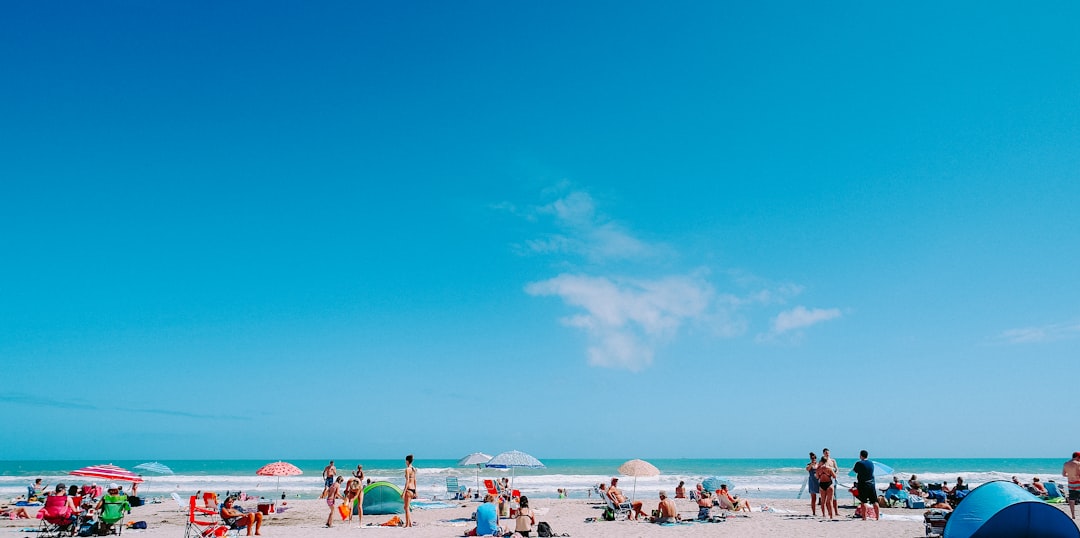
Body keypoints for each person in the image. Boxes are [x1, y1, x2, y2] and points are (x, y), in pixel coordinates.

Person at [852, 449, 878, 517]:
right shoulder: (871, 463)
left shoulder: (859, 463)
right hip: (871, 483)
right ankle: (877, 517)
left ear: (861, 455)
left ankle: (864, 517)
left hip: (863, 484)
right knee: (874, 501)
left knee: (863, 502)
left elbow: (855, 471)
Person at [821, 448, 839, 515]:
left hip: (833, 480)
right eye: (826, 453)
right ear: (823, 453)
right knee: (826, 498)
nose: (827, 454)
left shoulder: (832, 461)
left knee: (834, 497)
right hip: (825, 481)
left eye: (828, 453)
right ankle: (828, 512)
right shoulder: (822, 461)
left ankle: (836, 512)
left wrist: (835, 473)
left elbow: (837, 469)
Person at [1064, 451, 1080, 519]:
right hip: (1078, 483)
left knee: (1072, 499)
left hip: (1070, 484)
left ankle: (1073, 515)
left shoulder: (1066, 464)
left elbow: (1063, 474)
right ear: (1077, 457)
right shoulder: (1078, 464)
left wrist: (1070, 475)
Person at [403, 454, 417, 528]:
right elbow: (415, 480)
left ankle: (407, 524)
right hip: (412, 489)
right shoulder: (414, 469)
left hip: (408, 489)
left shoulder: (407, 469)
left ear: (407, 461)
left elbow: (407, 481)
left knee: (406, 507)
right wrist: (415, 491)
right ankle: (410, 523)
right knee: (406, 507)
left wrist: (404, 492)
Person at [806, 452, 820, 516]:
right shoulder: (809, 465)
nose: (813, 459)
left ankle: (823, 511)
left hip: (819, 481)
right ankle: (814, 512)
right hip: (812, 481)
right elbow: (807, 469)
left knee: (822, 496)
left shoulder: (819, 464)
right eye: (812, 458)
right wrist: (811, 464)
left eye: (814, 458)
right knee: (813, 498)